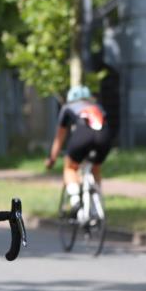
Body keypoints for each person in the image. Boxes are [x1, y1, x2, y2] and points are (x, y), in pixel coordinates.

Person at [46, 85, 112, 217]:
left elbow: (59, 138)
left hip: (83, 135)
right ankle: (97, 207)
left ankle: (76, 203)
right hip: (104, 137)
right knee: (95, 167)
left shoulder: (67, 107)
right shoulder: (97, 107)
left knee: (70, 167)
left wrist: (52, 159)